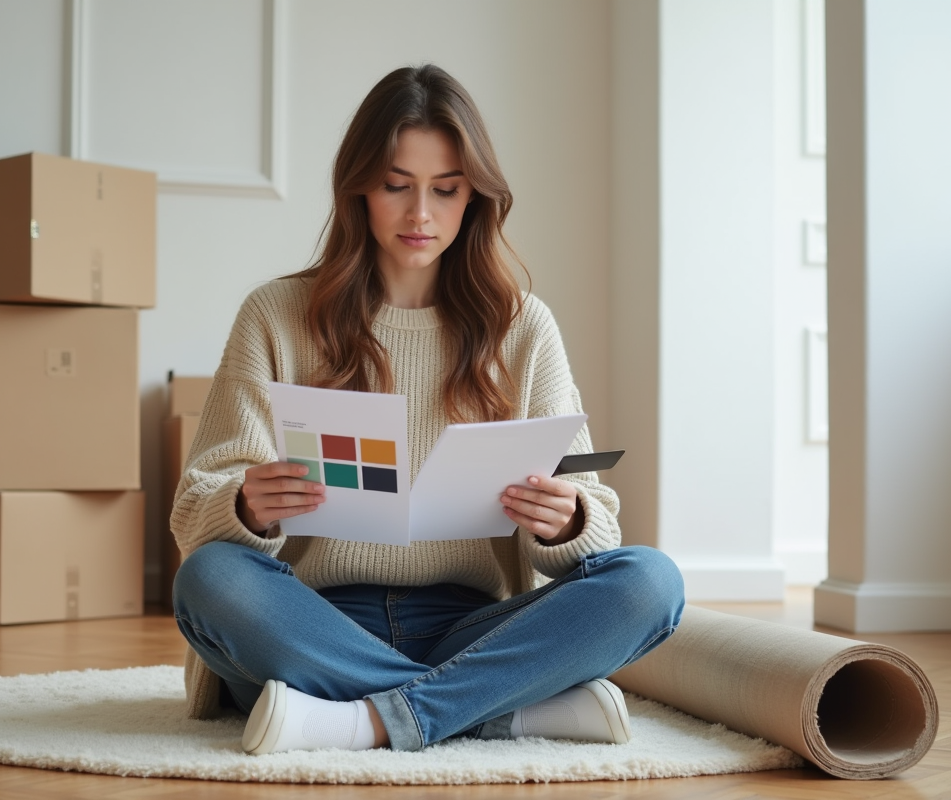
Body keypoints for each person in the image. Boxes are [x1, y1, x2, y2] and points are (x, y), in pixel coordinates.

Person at [170, 64, 685, 756]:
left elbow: (598, 523)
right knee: (209, 580)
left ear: (475, 197)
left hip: (471, 626)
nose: (420, 215)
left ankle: (364, 719)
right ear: (359, 189)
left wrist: (568, 520)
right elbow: (193, 513)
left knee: (650, 581)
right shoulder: (276, 314)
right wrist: (246, 507)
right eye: (396, 186)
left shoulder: (523, 327)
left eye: (446, 190)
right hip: (310, 621)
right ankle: (494, 710)